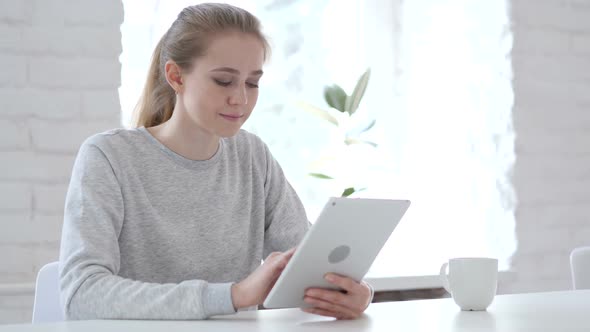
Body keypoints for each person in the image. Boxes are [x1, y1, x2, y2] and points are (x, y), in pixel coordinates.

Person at [59, 3, 372, 321]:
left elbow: (308, 262)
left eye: (252, 83)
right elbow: (82, 294)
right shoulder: (109, 158)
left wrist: (355, 293)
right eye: (224, 81)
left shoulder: (252, 156)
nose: (241, 99)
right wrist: (232, 296)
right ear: (175, 76)